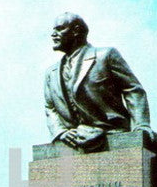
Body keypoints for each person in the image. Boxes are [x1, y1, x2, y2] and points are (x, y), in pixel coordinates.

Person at [44, 13, 151, 151]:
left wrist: (141, 126)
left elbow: (132, 89)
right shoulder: (51, 73)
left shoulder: (105, 56)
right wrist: (60, 131)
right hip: (73, 141)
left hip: (112, 134)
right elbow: (50, 106)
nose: (53, 34)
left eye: (59, 29)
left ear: (76, 31)